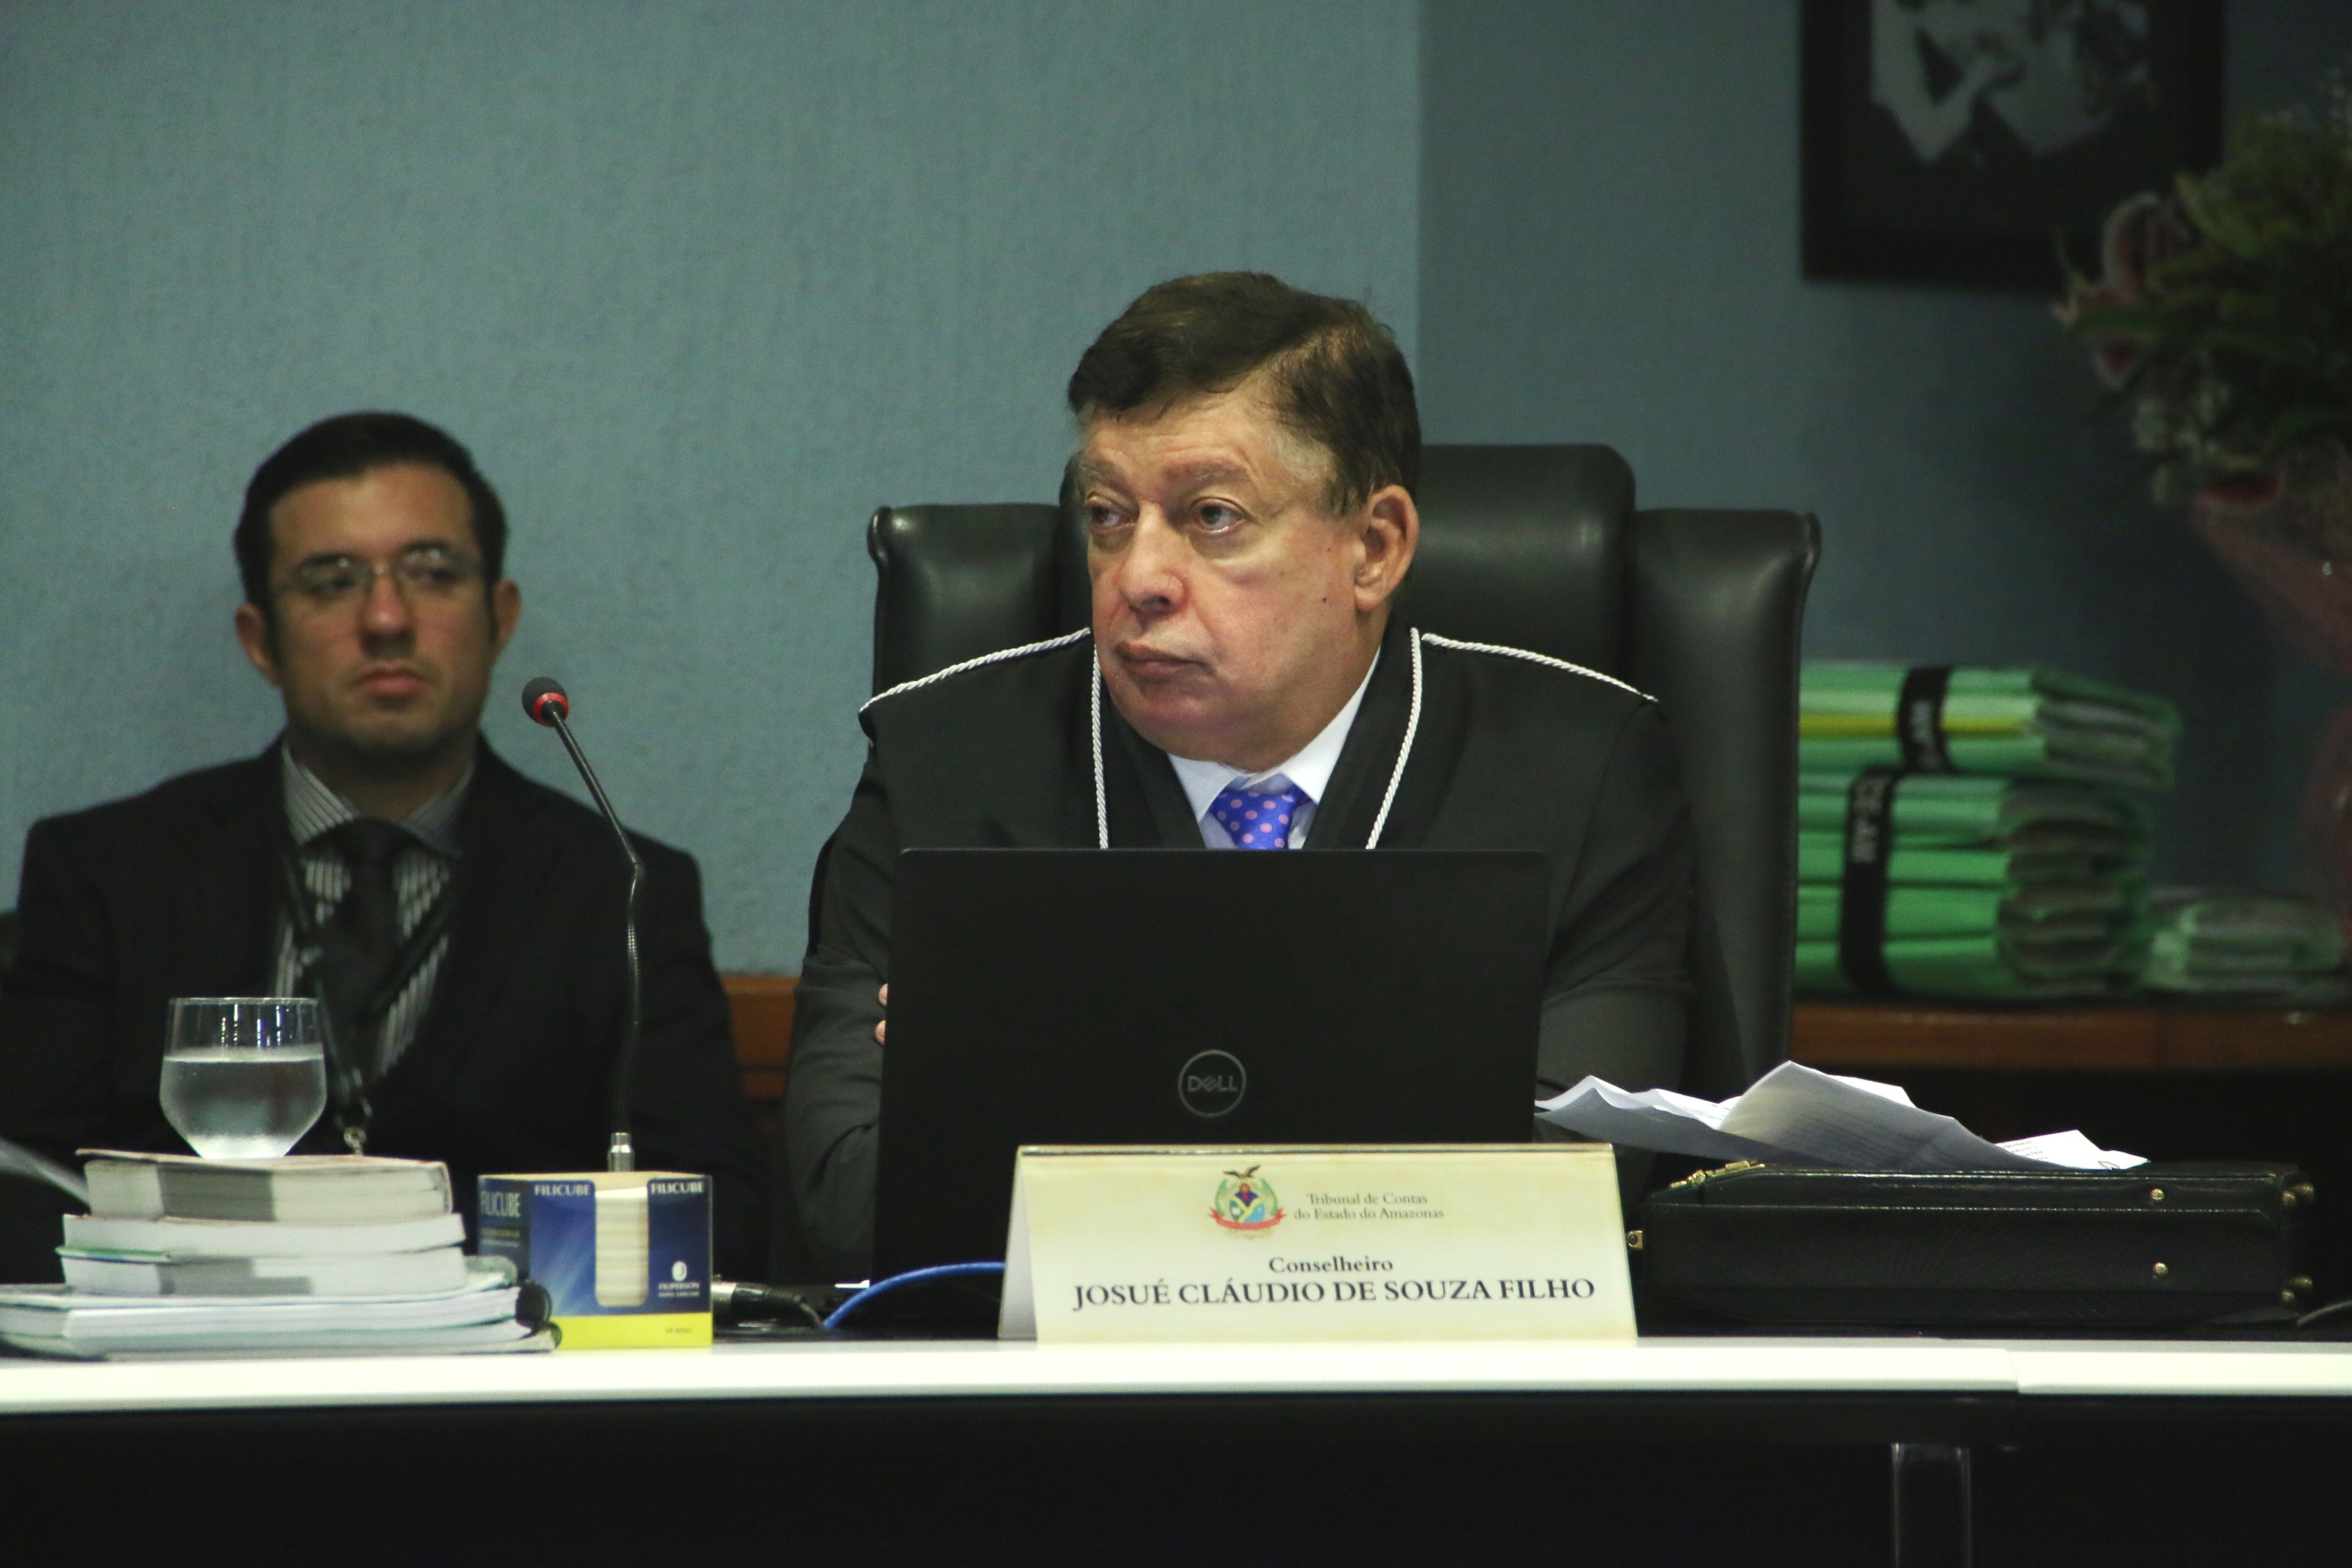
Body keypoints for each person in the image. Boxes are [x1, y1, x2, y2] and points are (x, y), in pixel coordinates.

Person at [784, 272, 1693, 1280]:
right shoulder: (944, 765)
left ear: (1374, 548)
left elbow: (1556, 1197)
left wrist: (1068, 1071)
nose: (1138, 578)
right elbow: (855, 1203)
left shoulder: (1578, 773)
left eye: (1213, 516)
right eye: (1107, 514)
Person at [0, 413, 767, 1280]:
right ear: (260, 640)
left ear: (499, 617)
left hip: (504, 1355)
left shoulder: (616, 887)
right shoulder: (110, 872)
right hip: (187, 1347)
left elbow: (721, 1218)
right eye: (331, 582)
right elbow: (23, 1193)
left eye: (432, 573)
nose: (388, 618)